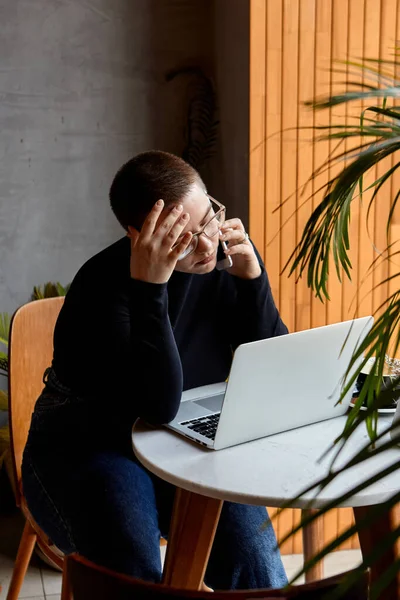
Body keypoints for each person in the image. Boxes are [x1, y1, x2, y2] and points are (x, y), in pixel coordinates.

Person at [22, 150, 288, 590]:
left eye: (208, 220)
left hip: (180, 438)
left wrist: (252, 279)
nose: (206, 245)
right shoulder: (101, 287)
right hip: (89, 443)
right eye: (182, 237)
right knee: (132, 570)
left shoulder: (222, 255)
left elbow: (274, 366)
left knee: (254, 563)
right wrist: (152, 289)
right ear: (137, 235)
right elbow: (158, 403)